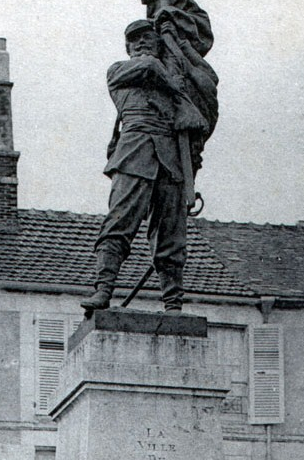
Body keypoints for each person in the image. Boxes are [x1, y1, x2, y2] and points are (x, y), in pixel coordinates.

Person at [81, 17, 214, 314]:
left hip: (171, 163)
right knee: (118, 224)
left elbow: (206, 84)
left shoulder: (174, 78)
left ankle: (173, 305)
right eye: (135, 39)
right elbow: (149, 67)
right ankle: (103, 290)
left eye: (148, 38)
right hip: (134, 154)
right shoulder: (119, 71)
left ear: (158, 43)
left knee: (171, 236)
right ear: (127, 47)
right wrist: (173, 82)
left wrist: (176, 44)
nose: (141, 42)